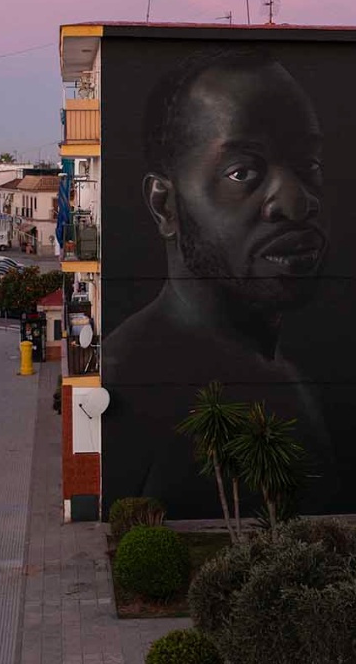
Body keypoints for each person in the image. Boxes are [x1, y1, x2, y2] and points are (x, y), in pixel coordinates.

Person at [103, 49, 339, 511]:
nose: (297, 202)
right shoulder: (127, 392)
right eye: (243, 172)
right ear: (163, 204)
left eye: (308, 167)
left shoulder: (285, 373)